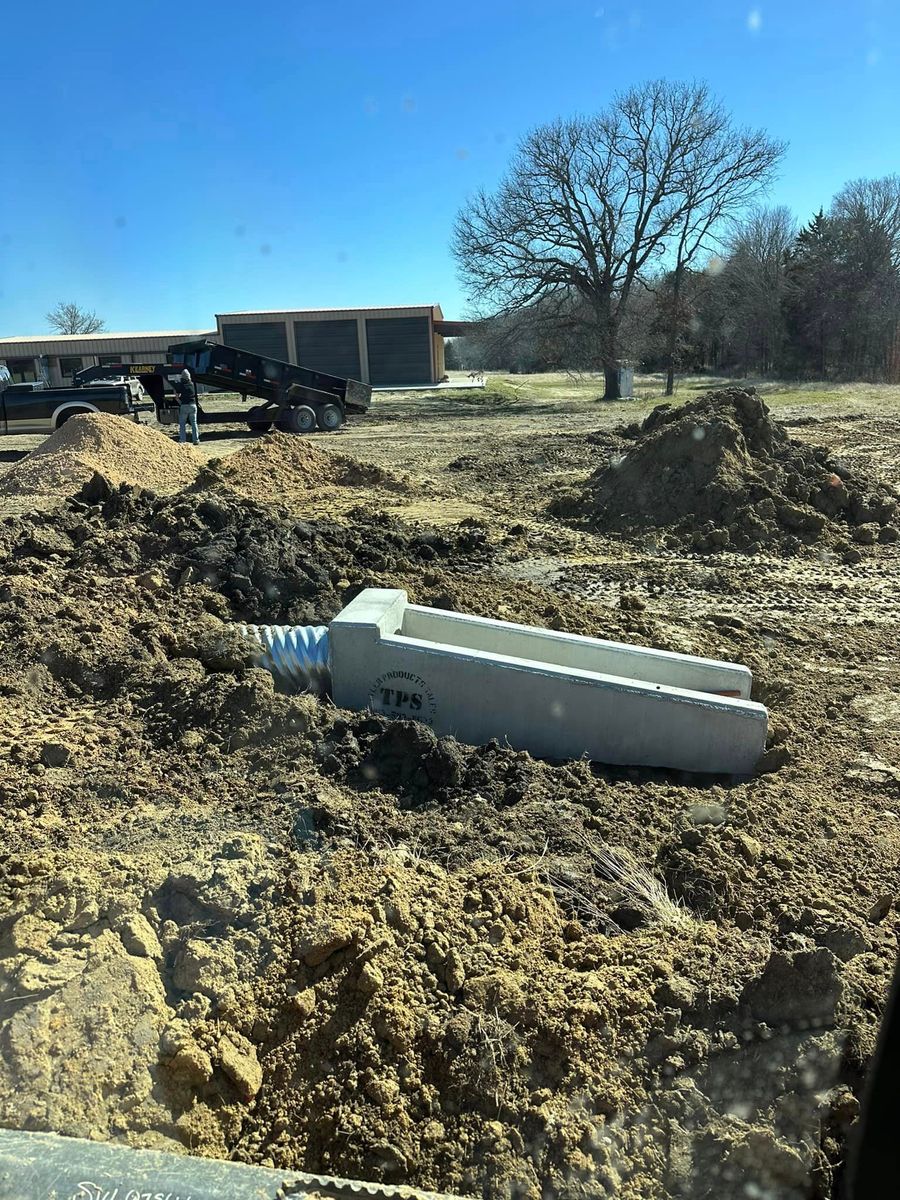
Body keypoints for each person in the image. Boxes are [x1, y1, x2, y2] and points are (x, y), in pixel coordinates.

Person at [174, 369, 200, 445]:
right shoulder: (192, 384)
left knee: (182, 424)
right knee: (194, 423)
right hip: (193, 405)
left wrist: (178, 400)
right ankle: (196, 440)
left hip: (184, 405)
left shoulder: (181, 385)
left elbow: (177, 395)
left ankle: (182, 440)